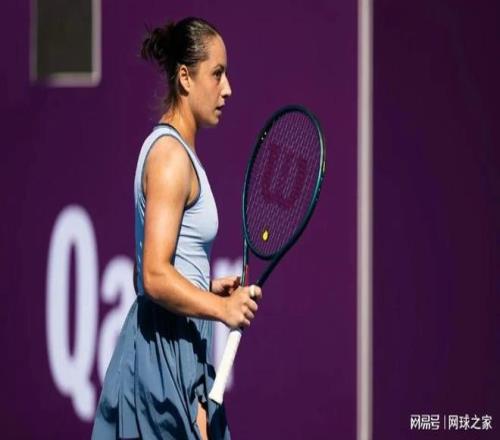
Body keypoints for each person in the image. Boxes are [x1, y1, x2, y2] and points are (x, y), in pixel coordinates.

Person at [92, 17, 262, 440]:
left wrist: (207, 287)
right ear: (185, 78)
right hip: (163, 357)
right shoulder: (170, 158)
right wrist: (221, 309)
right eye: (217, 74)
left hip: (174, 347)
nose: (227, 89)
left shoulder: (174, 152)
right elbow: (153, 275)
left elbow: (159, 266)